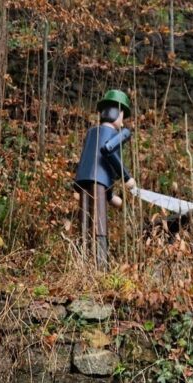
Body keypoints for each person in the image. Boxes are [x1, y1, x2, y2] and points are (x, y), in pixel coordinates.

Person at [74, 89, 136, 268]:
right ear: (119, 113)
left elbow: (90, 160)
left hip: (83, 180)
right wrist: (126, 177)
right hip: (99, 183)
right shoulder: (119, 133)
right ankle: (100, 266)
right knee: (99, 222)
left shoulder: (91, 132)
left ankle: (83, 264)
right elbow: (107, 150)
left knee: (84, 223)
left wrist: (110, 196)